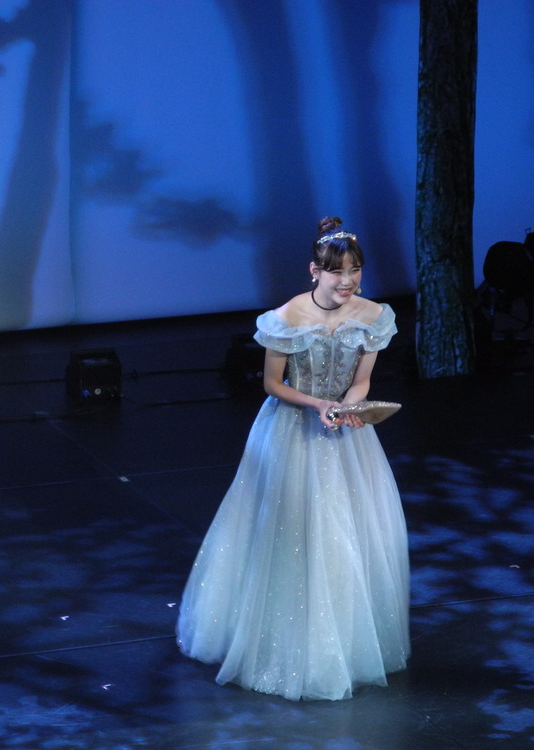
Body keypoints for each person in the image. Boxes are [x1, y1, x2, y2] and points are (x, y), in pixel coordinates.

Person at [176, 217, 410, 701]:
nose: (347, 281)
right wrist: (318, 404)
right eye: (337, 272)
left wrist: (348, 407)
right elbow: (272, 384)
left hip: (345, 433)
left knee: (346, 528)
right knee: (291, 530)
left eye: (355, 270)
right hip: (290, 429)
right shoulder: (286, 317)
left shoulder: (373, 315)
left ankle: (342, 640)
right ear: (314, 271)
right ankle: (280, 643)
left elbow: (362, 379)